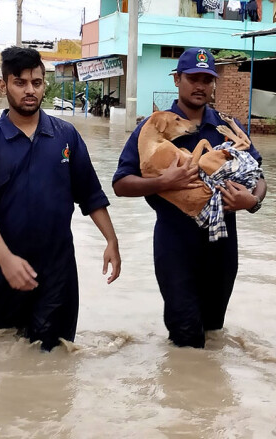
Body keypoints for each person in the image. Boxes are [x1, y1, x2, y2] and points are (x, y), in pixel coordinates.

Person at [0, 46, 121, 351]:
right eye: (20, 83)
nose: (29, 91)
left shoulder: (65, 136)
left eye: (36, 83)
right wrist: (7, 260)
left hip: (57, 272)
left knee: (56, 362)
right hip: (2, 271)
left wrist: (111, 240)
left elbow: (90, 193)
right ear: (3, 86)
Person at [112, 47, 267, 348]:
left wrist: (253, 201)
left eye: (207, 79)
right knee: (185, 335)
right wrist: (163, 181)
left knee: (212, 333)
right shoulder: (154, 127)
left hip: (222, 246)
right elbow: (121, 183)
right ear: (177, 79)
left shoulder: (226, 126)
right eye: (193, 78)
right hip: (175, 245)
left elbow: (257, 176)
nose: (200, 86)